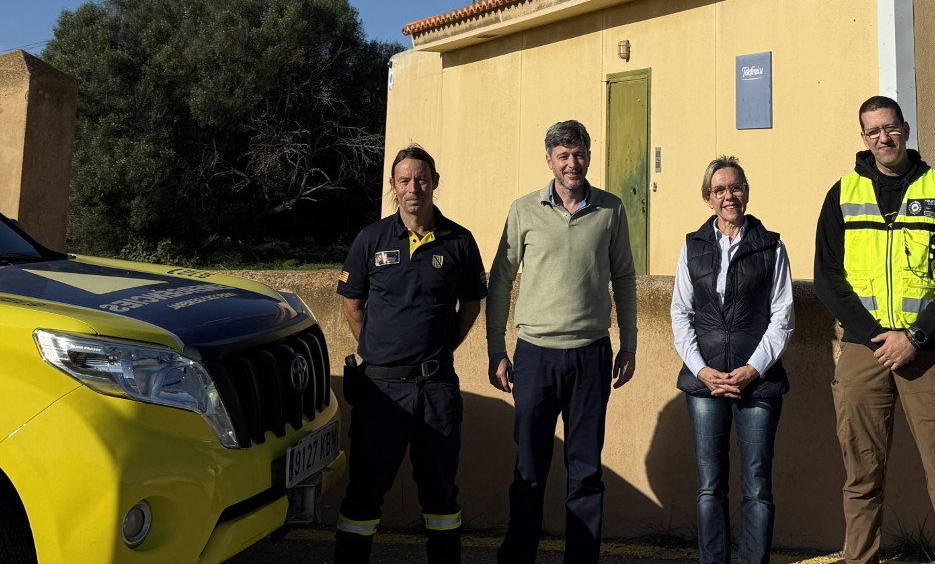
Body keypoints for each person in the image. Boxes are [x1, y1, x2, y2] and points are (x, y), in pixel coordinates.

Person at [812, 96, 935, 564]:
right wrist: (875, 336)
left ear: (904, 129)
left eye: (890, 128)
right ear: (863, 139)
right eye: (873, 132)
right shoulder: (841, 194)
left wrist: (915, 337)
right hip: (866, 352)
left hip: (930, 351)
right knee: (862, 477)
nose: (883, 138)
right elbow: (827, 277)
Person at [486, 118, 639, 564]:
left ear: (589, 156)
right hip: (534, 357)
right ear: (549, 160)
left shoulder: (610, 209)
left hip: (592, 355)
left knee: (586, 473)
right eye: (563, 155)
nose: (572, 163)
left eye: (579, 154)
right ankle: (518, 557)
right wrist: (497, 350)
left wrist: (628, 344)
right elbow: (500, 280)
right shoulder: (523, 210)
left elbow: (625, 277)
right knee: (529, 470)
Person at [334, 145, 488, 564]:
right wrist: (381, 350)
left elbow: (471, 305)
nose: (413, 188)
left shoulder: (459, 240)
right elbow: (352, 303)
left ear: (435, 182)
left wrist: (437, 351)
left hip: (436, 388)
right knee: (364, 493)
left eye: (421, 179)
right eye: (404, 180)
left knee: (440, 494)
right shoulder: (371, 239)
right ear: (393, 187)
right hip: (380, 390)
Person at [669, 157, 794, 564]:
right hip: (704, 384)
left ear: (747, 191)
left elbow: (783, 317)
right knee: (710, 485)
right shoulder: (693, 246)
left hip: (757, 383)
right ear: (708, 198)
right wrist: (701, 370)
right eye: (719, 189)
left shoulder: (771, 245)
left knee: (757, 485)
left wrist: (752, 369)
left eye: (735, 187)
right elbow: (681, 313)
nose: (729, 196)